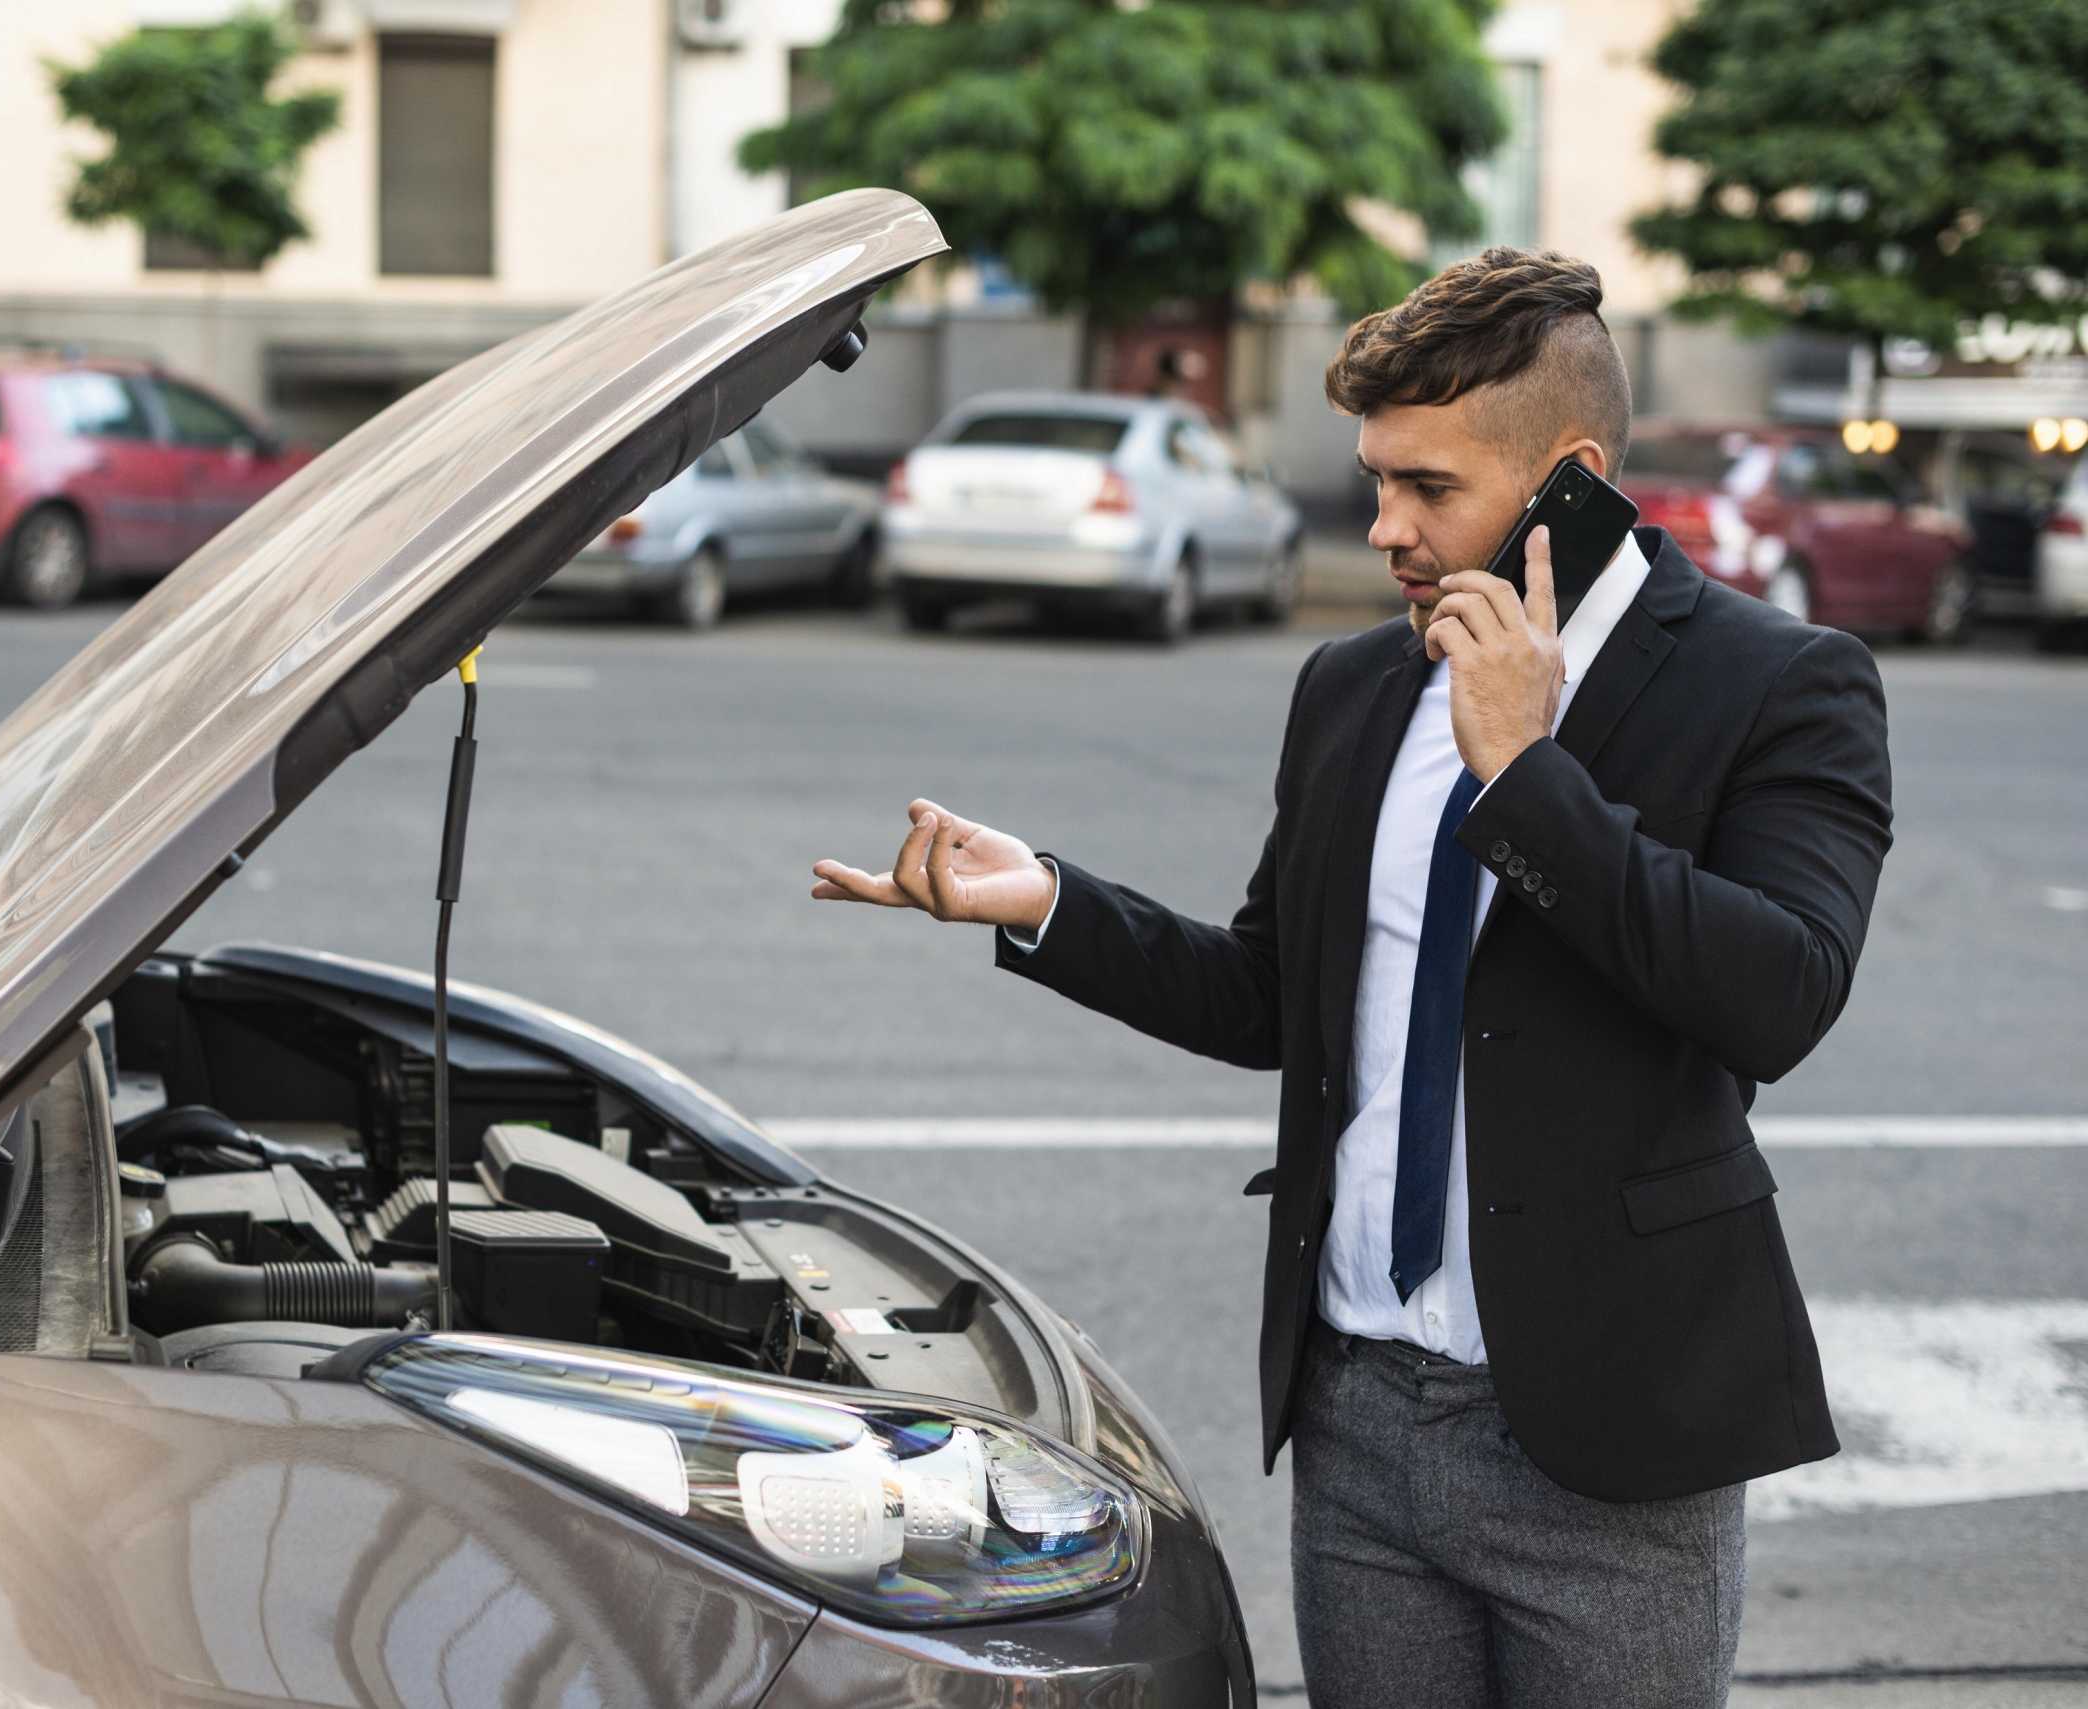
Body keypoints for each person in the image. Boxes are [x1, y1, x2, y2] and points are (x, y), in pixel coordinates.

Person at [808, 247, 1893, 1708]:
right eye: (1373, 477)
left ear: (1570, 476)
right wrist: (1051, 901)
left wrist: (1527, 769)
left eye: (1427, 489)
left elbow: (1782, 993)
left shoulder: (1781, 683)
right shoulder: (1356, 686)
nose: (1381, 526)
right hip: (1362, 1421)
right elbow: (1268, 994)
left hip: (1613, 1442)